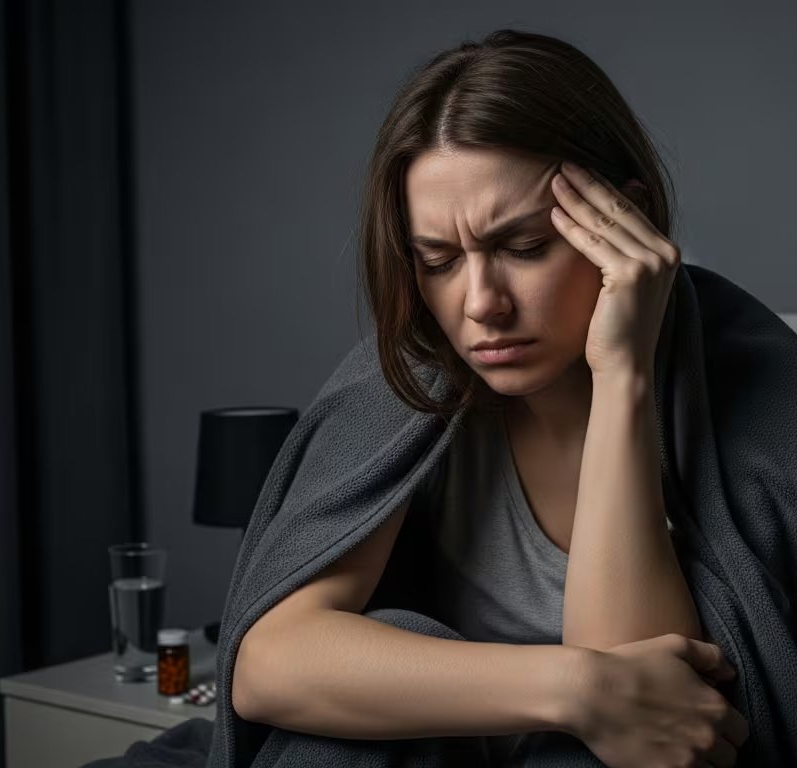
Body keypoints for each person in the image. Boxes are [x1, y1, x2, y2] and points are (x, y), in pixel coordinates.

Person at [234, 28, 749, 768]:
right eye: (438, 260)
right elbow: (268, 664)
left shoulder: (750, 384)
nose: (480, 305)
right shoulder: (405, 385)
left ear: (624, 223)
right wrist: (575, 688)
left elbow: (653, 728)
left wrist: (623, 375)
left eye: (524, 247)